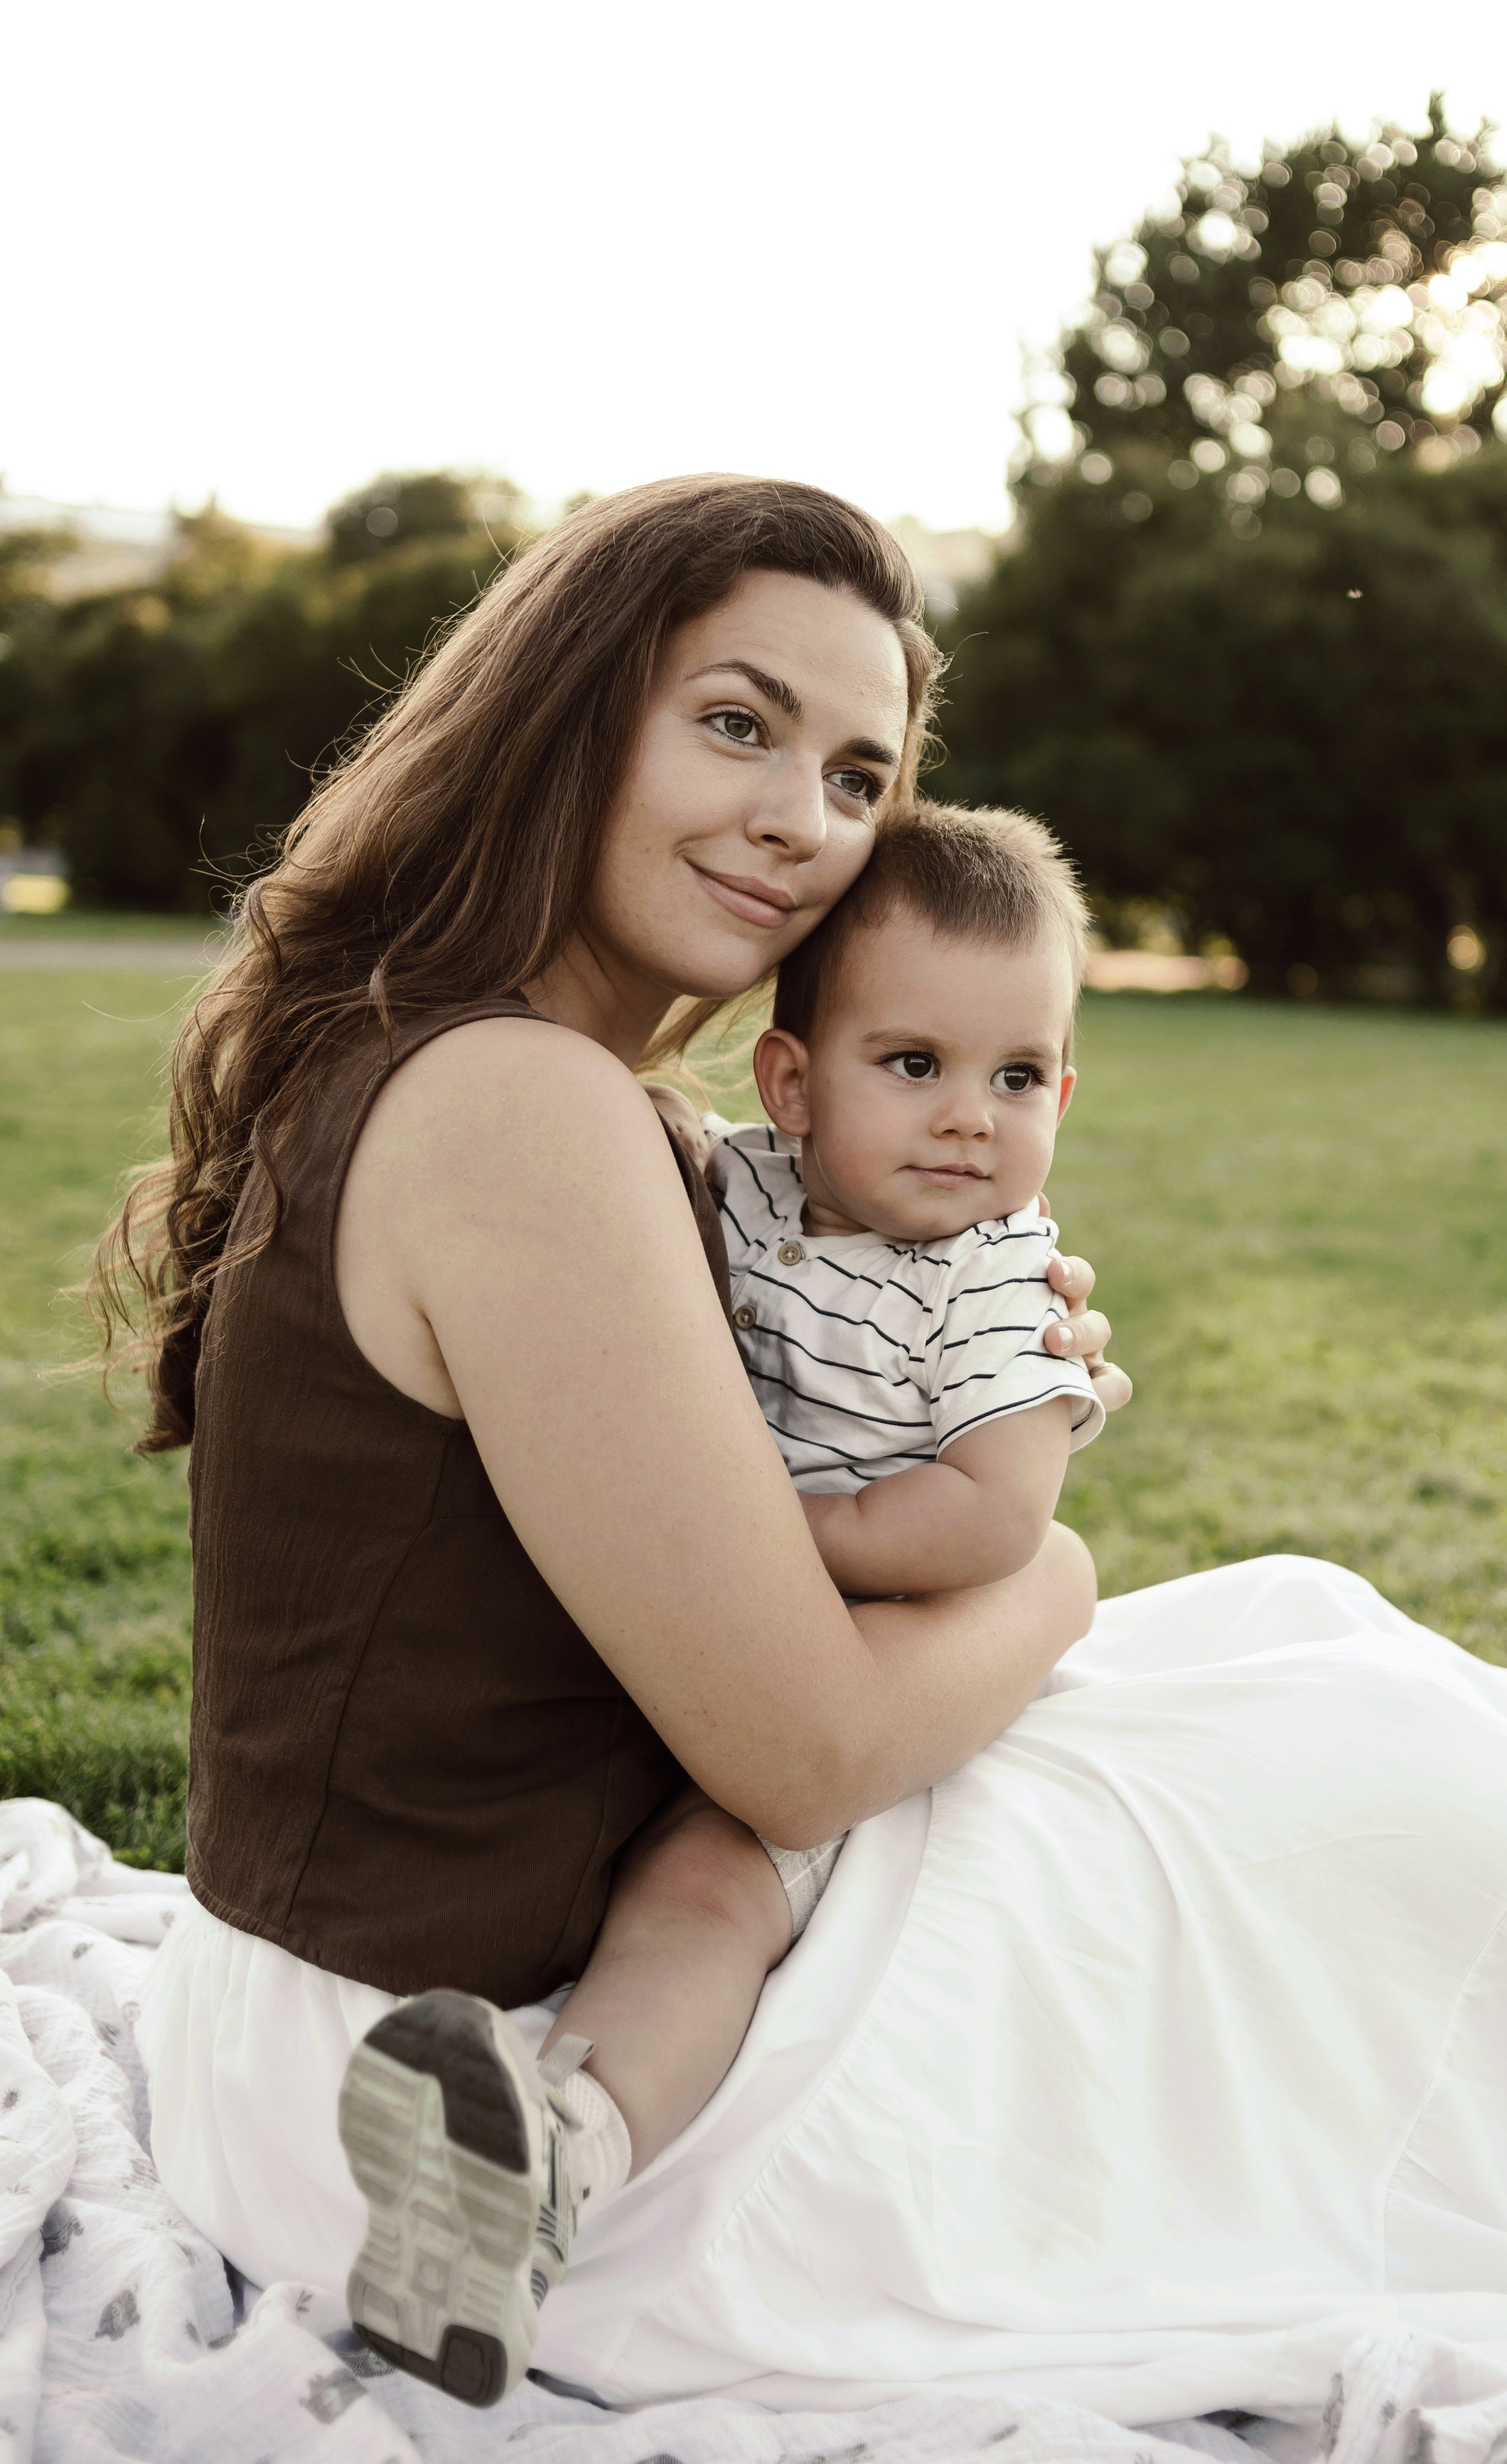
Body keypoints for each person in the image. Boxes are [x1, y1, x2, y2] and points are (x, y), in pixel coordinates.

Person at [124, 475, 1507, 2448]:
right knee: (1328, 1765)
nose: (803, 821)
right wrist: (1051, 1563)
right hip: (462, 2077)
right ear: (569, 707)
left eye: (859, 771)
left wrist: (956, 1342)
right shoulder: (516, 1104)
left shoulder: (580, 1102)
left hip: (423, 1991)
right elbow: (808, 1754)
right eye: (737, 724)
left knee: (1307, 1686)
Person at [336, 803, 1109, 2399]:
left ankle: (555, 2156)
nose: (971, 1120)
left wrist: (769, 1529)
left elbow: (989, 1520)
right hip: (722, 1642)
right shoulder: (743, 1187)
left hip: (881, 1667)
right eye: (914, 1065)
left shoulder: (994, 1284)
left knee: (708, 1895)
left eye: (1017, 1077)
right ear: (790, 1083)